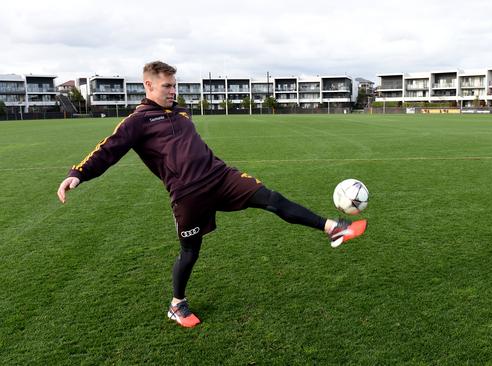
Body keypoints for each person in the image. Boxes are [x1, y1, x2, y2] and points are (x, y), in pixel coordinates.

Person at [57, 61, 367, 328]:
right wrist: (78, 174)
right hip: (188, 194)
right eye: (166, 86)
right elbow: (107, 149)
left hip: (221, 177)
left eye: (174, 86)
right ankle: (177, 304)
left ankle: (333, 228)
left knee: (272, 199)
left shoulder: (181, 113)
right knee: (190, 252)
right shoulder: (137, 122)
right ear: (148, 85)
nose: (172, 91)